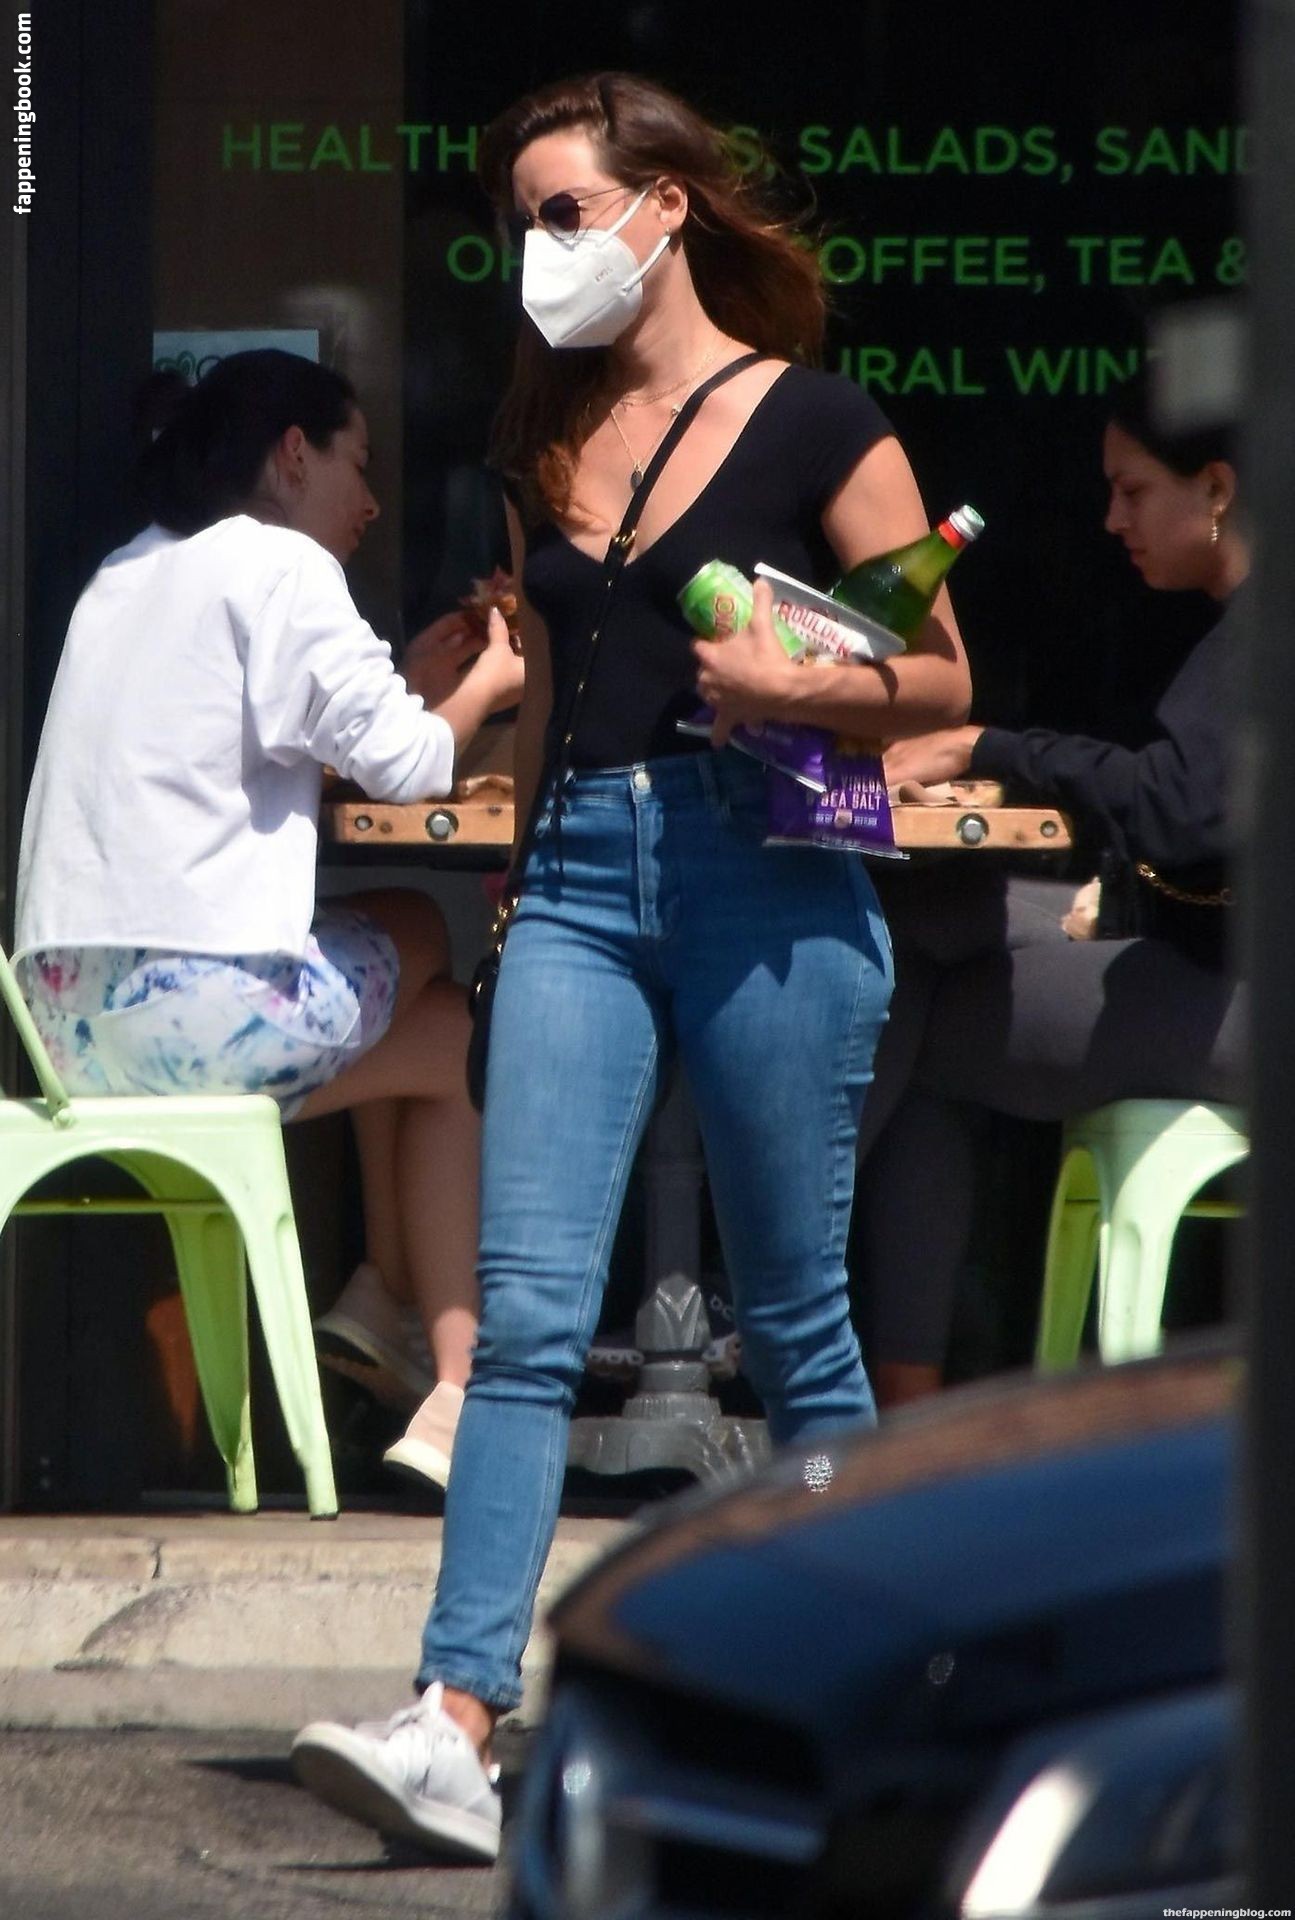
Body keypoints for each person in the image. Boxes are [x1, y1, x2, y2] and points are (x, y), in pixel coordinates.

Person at [290, 69, 970, 1862]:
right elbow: (545, 705)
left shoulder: (820, 423)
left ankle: (881, 1713)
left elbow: (940, 676)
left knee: (795, 1318)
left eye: (564, 212)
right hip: (582, 877)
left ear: (664, 211)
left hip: (766, 872)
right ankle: (454, 1718)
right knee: (523, 1321)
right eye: (521, 220)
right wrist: (517, 889)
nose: (538, 248)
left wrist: (795, 685)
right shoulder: (544, 431)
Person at [13, 348, 523, 1486]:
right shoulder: (282, 565)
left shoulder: (126, 572)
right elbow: (408, 765)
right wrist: (492, 683)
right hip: (194, 1023)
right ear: (294, 456)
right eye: (358, 463)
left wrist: (407, 679)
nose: (371, 500)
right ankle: (447, 1378)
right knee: (432, 965)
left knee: (431, 1003)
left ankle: (392, 1307)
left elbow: (262, 731)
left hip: (66, 1031)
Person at [851, 375, 1248, 1405]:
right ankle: (888, 1375)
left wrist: (987, 746)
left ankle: (841, 1339)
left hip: (1242, 1011)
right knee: (927, 918)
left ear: (1215, 488)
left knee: (911, 1016)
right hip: (1206, 962)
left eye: (1131, 490)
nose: (1110, 518)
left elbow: (1177, 810)